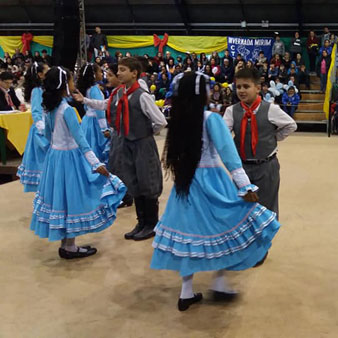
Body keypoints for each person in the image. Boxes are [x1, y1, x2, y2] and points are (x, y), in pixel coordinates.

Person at [149, 71, 280, 311]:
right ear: (201, 92)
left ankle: (186, 291)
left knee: (189, 235)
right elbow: (229, 156)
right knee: (224, 229)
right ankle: (219, 283)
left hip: (185, 183)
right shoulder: (211, 118)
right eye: (208, 87)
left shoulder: (179, 119)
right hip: (212, 181)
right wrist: (245, 185)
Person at [30, 66, 126, 259]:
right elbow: (82, 142)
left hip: (55, 158)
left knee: (61, 198)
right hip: (70, 159)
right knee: (72, 198)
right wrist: (96, 164)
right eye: (71, 80)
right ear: (64, 84)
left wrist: (54, 150)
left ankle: (67, 244)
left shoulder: (50, 106)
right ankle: (70, 246)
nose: (74, 84)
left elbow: (48, 134)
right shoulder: (67, 110)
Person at [74, 57, 168, 241]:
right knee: (133, 181)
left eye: (123, 70)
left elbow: (160, 121)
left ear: (134, 73)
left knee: (147, 182)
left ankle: (151, 224)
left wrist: (145, 133)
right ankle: (141, 222)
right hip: (126, 144)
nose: (118, 73)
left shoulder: (142, 96)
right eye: (119, 70)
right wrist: (84, 100)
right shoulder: (118, 93)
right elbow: (104, 105)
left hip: (142, 144)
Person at [222, 67, 297, 265]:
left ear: (258, 88)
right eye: (238, 87)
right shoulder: (232, 111)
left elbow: (291, 125)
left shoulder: (270, 109)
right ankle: (243, 244)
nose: (242, 90)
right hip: (242, 169)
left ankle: (261, 247)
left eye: (246, 86)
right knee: (242, 207)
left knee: (266, 208)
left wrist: (273, 138)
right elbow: (223, 135)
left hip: (267, 166)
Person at [17, 62, 50, 192]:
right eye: (46, 71)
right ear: (40, 74)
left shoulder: (43, 89)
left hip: (44, 127)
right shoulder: (37, 91)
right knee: (42, 163)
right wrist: (43, 130)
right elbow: (36, 112)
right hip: (40, 131)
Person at [77, 63, 110, 163]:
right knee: (96, 147)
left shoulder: (88, 88)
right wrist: (104, 128)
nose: (102, 73)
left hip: (87, 120)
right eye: (100, 71)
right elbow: (99, 110)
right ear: (94, 74)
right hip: (96, 123)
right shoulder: (95, 89)